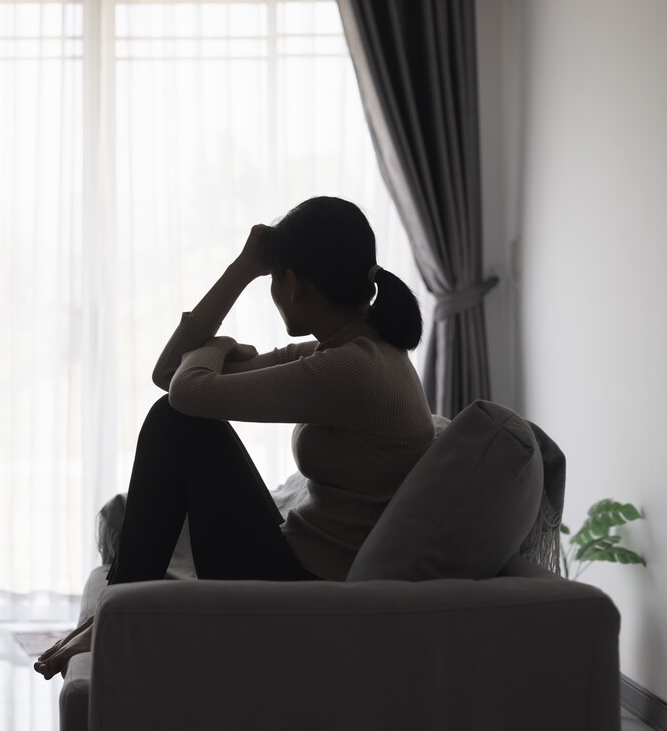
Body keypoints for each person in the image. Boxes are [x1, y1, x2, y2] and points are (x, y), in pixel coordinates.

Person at [34, 196, 436, 680]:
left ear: (291, 283)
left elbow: (183, 395)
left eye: (269, 280)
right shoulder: (352, 353)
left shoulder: (352, 370)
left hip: (303, 590)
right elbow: (169, 373)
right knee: (176, 415)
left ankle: (119, 607)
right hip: (298, 565)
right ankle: (119, 605)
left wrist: (220, 345)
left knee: (174, 420)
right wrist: (243, 269)